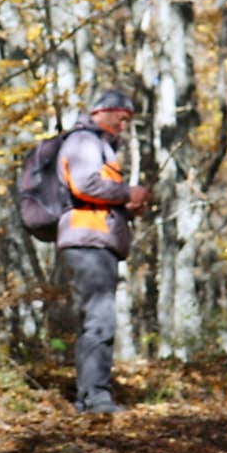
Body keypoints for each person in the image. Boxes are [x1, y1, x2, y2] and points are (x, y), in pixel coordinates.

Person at [54, 90, 151, 414]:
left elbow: (95, 193)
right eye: (121, 117)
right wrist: (128, 193)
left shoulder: (99, 144)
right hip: (88, 241)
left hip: (94, 240)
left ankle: (88, 397)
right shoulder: (85, 140)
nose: (124, 125)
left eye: (128, 119)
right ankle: (96, 399)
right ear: (102, 111)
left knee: (95, 320)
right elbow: (85, 185)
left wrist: (127, 205)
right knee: (100, 320)